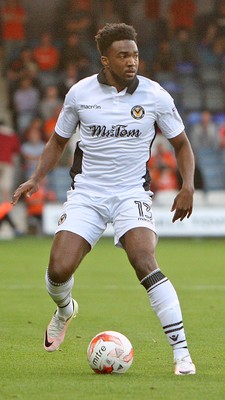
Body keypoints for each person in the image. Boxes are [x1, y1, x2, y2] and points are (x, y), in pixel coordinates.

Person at [12, 23, 196, 375]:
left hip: (132, 193)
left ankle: (182, 354)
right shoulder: (80, 94)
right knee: (58, 270)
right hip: (88, 193)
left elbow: (182, 144)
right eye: (123, 55)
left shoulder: (155, 96)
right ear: (105, 59)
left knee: (145, 260)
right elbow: (58, 141)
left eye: (135, 55)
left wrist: (186, 184)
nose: (132, 62)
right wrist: (37, 177)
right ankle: (65, 309)